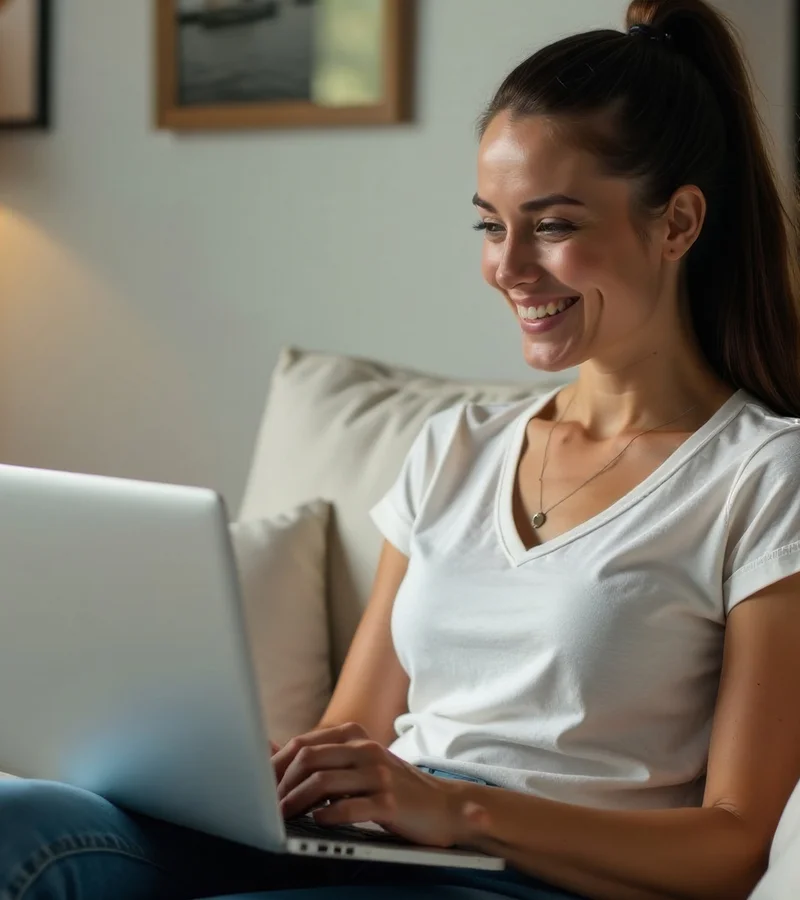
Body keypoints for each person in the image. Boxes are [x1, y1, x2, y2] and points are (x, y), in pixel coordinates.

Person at [3, 0, 800, 897]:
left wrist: (459, 811)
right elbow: (356, 734)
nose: (509, 267)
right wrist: (277, 776)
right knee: (19, 820)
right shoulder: (452, 447)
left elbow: (736, 846)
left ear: (679, 224)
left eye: (554, 225)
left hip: (527, 875)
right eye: (491, 226)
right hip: (385, 846)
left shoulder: (764, 476)